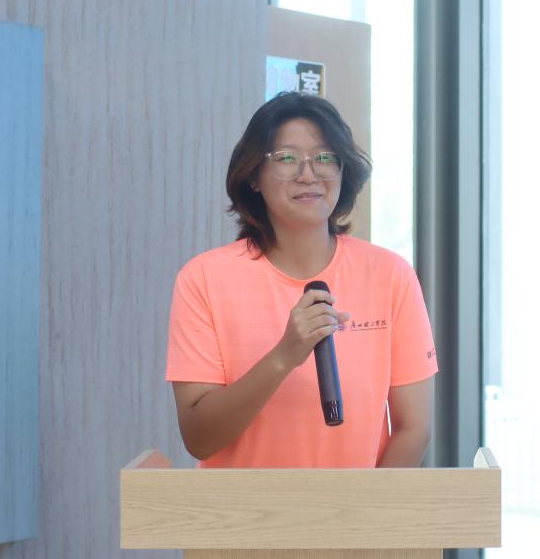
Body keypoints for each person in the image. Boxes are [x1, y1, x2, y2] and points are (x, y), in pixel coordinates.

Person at [165, 92, 437, 468]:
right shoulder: (203, 280)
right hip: (243, 507)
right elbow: (199, 437)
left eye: (324, 158)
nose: (308, 175)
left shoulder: (391, 275)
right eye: (287, 158)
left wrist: (369, 506)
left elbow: (414, 428)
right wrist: (284, 356)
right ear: (254, 176)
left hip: (356, 506)